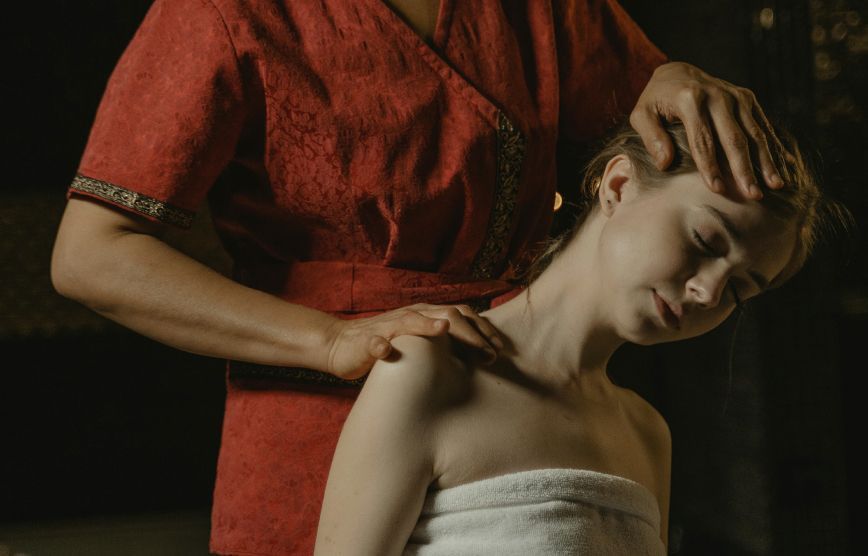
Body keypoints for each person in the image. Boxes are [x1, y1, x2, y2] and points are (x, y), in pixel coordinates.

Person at [49, 0, 787, 554]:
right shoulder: (221, 11)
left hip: (499, 388)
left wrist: (668, 74)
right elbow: (92, 255)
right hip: (310, 404)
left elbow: (663, 152)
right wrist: (330, 340)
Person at [314, 120, 839, 555]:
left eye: (740, 289)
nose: (709, 291)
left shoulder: (646, 434)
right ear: (619, 186)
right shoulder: (429, 368)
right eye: (706, 239)